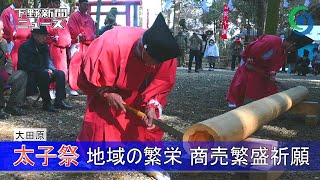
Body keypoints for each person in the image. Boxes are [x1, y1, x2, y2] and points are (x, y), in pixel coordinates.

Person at [226, 30, 313, 107]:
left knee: (269, 86)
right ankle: (234, 102)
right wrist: (250, 64)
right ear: (291, 43)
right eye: (294, 47)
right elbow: (251, 53)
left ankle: (266, 104)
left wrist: (272, 73)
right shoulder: (271, 41)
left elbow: (276, 64)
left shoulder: (285, 51)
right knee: (242, 80)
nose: (292, 50)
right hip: (250, 63)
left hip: (264, 69)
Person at [17, 26, 73, 112]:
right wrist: (43, 70)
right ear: (35, 35)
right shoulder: (25, 46)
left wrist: (53, 69)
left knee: (60, 74)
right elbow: (24, 65)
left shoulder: (44, 46)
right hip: (30, 74)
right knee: (44, 74)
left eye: (45, 35)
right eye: (42, 35)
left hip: (43, 72)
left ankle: (59, 101)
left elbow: (49, 62)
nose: (45, 37)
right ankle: (46, 103)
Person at [44, 0, 72, 99]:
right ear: (50, 3)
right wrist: (54, 37)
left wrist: (67, 40)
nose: (57, 6)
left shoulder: (61, 16)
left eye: (58, 4)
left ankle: (59, 91)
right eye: (55, 3)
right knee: (53, 69)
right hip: (52, 46)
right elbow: (45, 32)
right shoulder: (45, 15)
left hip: (62, 49)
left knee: (63, 70)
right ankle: (50, 89)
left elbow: (66, 30)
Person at [67, 0, 96, 95]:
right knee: (75, 65)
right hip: (78, 43)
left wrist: (91, 38)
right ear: (79, 4)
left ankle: (84, 86)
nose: (86, 7)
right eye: (84, 5)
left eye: (87, 5)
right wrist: (84, 37)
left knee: (87, 66)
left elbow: (93, 31)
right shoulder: (74, 16)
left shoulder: (90, 18)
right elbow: (72, 31)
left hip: (88, 45)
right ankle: (73, 87)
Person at [0, 20, 27, 119]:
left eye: (2, 29)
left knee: (21, 75)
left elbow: (9, 60)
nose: (3, 32)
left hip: (4, 73)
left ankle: (12, 105)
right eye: (1, 30)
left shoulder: (3, 42)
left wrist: (8, 72)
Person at [0, 0, 32, 71]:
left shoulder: (25, 12)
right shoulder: (7, 12)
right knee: (13, 68)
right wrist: (15, 34)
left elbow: (29, 27)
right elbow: (5, 30)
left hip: (26, 44)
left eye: (22, 1)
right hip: (13, 45)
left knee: (26, 67)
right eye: (18, 0)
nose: (20, 2)